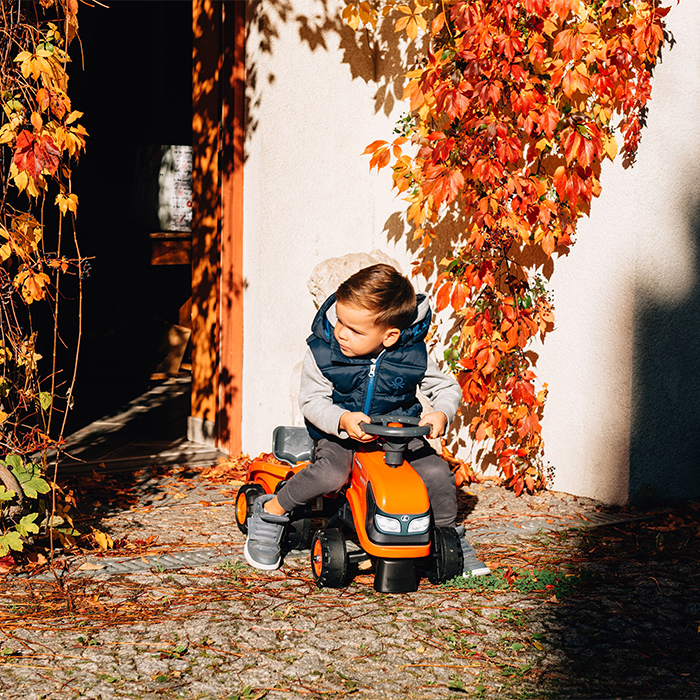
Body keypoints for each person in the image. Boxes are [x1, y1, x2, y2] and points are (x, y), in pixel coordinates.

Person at [244, 263, 488, 577]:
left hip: (397, 432)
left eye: (354, 330)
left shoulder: (412, 354)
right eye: (340, 321)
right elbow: (312, 400)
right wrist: (342, 419)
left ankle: (448, 536)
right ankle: (271, 511)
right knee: (330, 475)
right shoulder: (323, 351)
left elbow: (445, 387)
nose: (341, 333)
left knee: (437, 473)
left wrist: (441, 412)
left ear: (389, 336)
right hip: (339, 433)